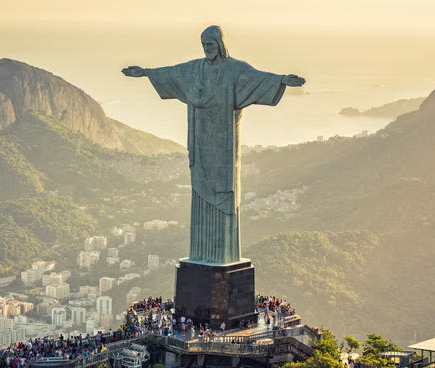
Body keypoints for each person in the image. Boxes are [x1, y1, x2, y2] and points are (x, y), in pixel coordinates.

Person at [123, 25, 304, 264]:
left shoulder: (235, 70)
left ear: (220, 44)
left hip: (224, 150)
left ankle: (221, 255)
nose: (206, 49)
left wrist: (281, 80)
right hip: (200, 144)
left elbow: (258, 79)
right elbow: (172, 73)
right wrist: (145, 72)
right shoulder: (194, 69)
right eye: (203, 45)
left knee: (224, 192)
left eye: (210, 45)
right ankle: (202, 254)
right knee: (200, 191)